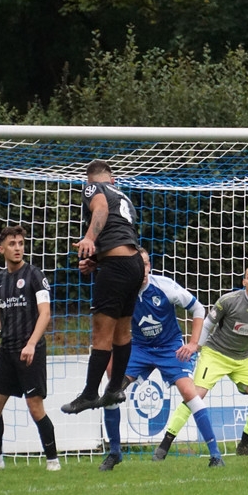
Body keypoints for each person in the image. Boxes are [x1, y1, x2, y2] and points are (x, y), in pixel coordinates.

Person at [98, 249, 222, 470]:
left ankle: (215, 455)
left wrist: (193, 343)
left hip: (170, 348)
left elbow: (198, 308)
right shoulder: (120, 292)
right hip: (139, 348)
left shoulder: (164, 286)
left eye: (146, 264)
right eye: (139, 265)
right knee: (111, 394)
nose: (143, 270)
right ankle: (115, 453)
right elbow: (110, 328)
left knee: (189, 393)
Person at [151, 264, 248, 458]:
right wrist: (196, 348)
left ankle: (244, 446)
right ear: (244, 281)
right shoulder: (228, 301)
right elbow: (207, 325)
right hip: (215, 354)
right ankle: (164, 446)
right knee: (195, 395)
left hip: (242, 359)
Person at [0, 226, 59, 472]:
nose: (18, 248)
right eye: (12, 244)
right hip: (7, 351)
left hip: (30, 351)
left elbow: (45, 314)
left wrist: (31, 344)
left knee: (35, 408)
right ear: (2, 249)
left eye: (20, 243)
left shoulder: (35, 275)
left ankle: (53, 461)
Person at [62, 160, 145, 414]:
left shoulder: (93, 188)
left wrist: (89, 238)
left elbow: (100, 210)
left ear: (90, 180)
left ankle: (89, 394)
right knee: (122, 332)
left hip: (116, 268)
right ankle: (115, 388)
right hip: (134, 264)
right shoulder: (122, 196)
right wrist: (97, 261)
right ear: (113, 179)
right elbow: (120, 234)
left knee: (101, 334)